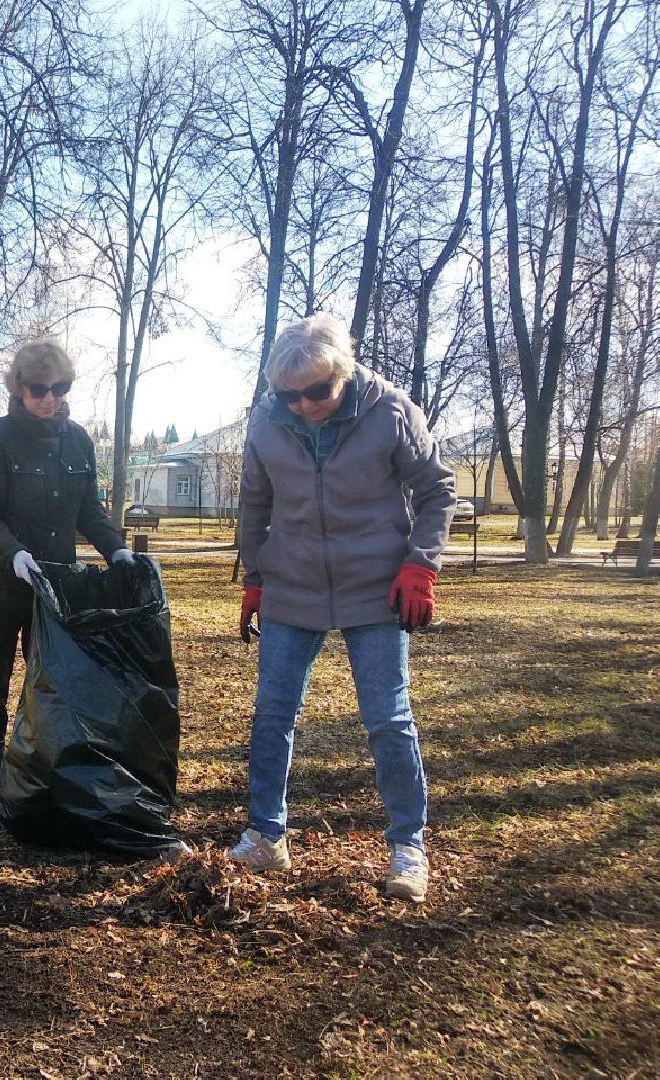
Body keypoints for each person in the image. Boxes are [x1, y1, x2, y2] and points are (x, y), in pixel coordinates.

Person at [231, 313, 455, 902]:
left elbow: (437, 491)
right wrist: (255, 578)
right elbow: (255, 504)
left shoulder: (391, 412)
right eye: (291, 394)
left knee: (388, 719)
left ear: (344, 373)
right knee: (272, 716)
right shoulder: (266, 422)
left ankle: (408, 845)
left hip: (375, 588)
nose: (304, 404)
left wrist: (420, 564)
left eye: (318, 391)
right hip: (291, 586)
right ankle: (265, 834)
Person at [0, 340, 135, 821]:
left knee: (52, 684)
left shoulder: (78, 439)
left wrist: (117, 549)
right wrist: (13, 551)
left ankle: (38, 770)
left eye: (59, 388)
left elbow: (89, 510)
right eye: (38, 389)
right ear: (18, 389)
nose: (48, 398)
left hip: (55, 588)